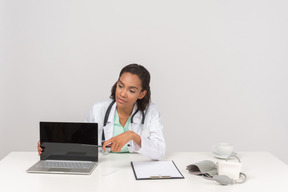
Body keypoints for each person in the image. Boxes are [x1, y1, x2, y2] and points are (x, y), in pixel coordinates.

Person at [38, 64, 166, 160]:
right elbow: (81, 144)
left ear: (141, 94)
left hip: (135, 166)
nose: (122, 94)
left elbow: (160, 151)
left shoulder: (151, 111)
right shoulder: (98, 109)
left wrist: (133, 136)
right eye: (120, 86)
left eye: (131, 90)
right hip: (104, 168)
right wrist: (51, 146)